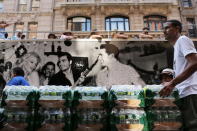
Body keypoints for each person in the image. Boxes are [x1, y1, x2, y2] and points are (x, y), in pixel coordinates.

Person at [159, 20, 197, 130]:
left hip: (191, 92)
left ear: (177, 28)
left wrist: (172, 83)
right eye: (163, 29)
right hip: (185, 94)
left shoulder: (183, 40)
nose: (164, 31)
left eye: (167, 28)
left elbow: (195, 63)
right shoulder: (176, 47)